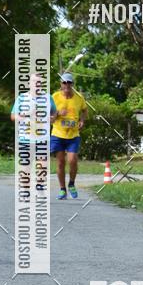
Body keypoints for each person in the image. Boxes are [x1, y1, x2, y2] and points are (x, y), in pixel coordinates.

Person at [50, 72, 87, 200]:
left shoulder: (79, 98)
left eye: (69, 82)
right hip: (58, 134)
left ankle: (71, 183)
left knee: (72, 160)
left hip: (73, 135)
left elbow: (84, 110)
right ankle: (62, 189)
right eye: (64, 82)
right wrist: (58, 113)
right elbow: (48, 115)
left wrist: (82, 121)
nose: (66, 85)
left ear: (72, 84)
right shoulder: (54, 97)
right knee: (60, 163)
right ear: (61, 84)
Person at [11, 72, 56, 145]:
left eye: (39, 81)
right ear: (29, 83)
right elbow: (13, 116)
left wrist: (52, 118)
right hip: (25, 140)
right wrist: (23, 116)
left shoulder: (48, 97)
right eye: (34, 81)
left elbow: (54, 111)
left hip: (43, 140)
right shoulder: (21, 98)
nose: (36, 84)